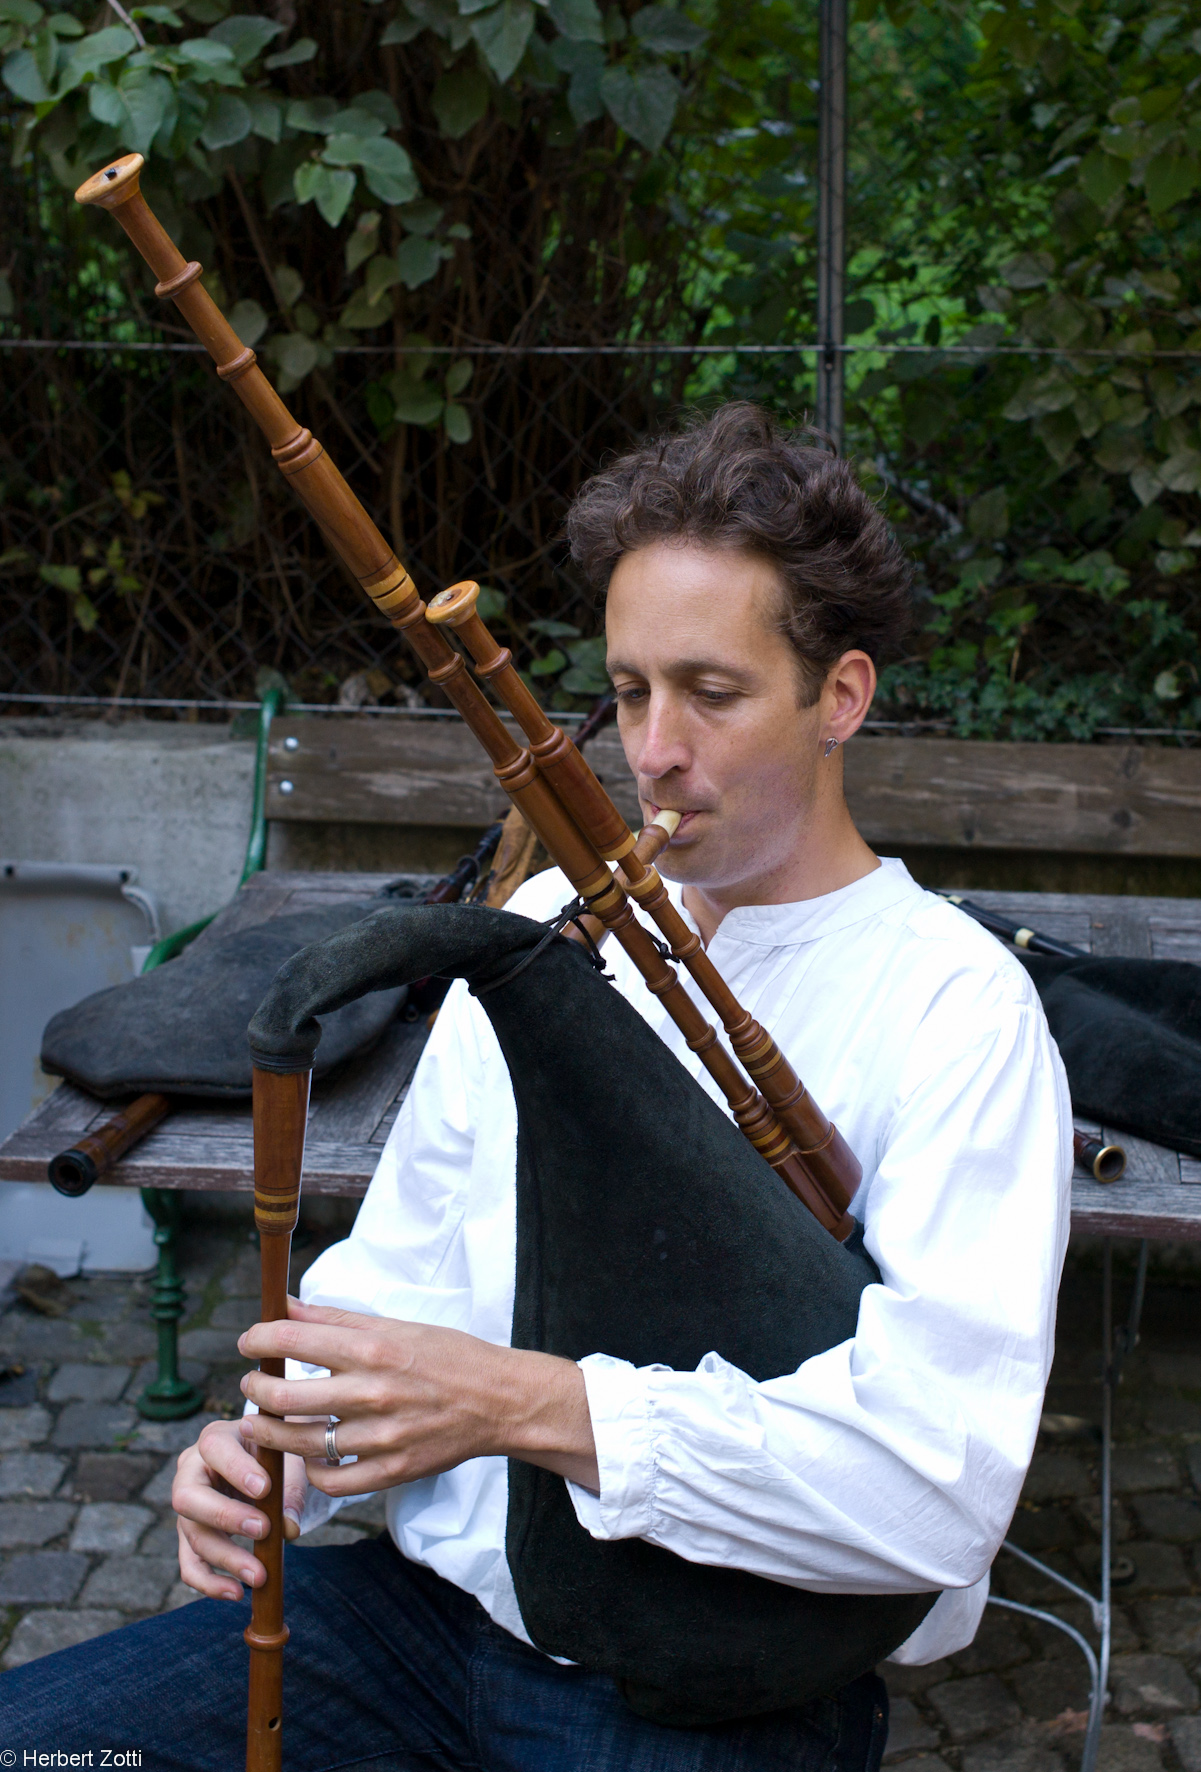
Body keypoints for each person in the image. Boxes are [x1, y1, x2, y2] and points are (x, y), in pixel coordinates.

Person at [0, 404, 1072, 1771]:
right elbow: (407, 1269)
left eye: (712, 693)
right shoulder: (544, 926)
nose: (654, 749)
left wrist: (526, 1405)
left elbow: (938, 1485)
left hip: (709, 1677)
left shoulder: (955, 1009)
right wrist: (282, 1445)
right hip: (422, 1622)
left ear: (840, 698)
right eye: (629, 691)